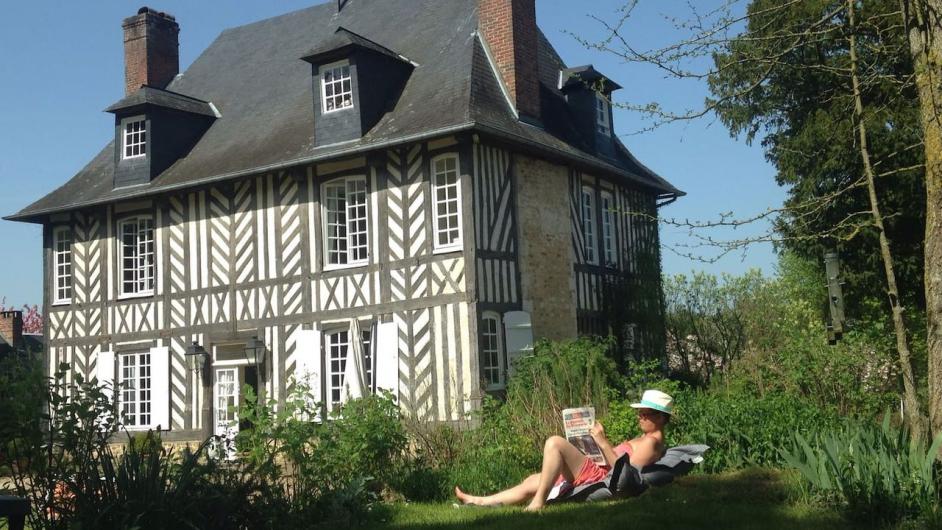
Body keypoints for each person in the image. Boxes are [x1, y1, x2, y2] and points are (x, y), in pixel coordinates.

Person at [454, 389, 673, 511]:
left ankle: (538, 503)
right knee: (533, 480)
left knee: (555, 443)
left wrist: (603, 442)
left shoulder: (651, 443)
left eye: (646, 414)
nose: (640, 417)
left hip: (599, 476)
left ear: (661, 418)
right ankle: (479, 501)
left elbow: (626, 477)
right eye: (640, 413)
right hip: (596, 467)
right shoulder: (645, 438)